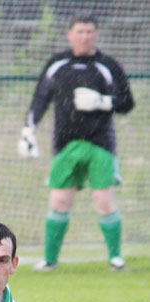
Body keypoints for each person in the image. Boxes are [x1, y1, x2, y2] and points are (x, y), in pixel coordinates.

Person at [17, 14, 134, 271]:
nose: (85, 36)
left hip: (100, 143)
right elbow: (40, 98)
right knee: (59, 201)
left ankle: (115, 258)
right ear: (69, 34)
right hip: (65, 144)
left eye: (90, 31)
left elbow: (127, 103)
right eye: (80, 31)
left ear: (96, 34)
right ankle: (50, 260)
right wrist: (29, 130)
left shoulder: (107, 65)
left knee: (103, 200)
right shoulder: (57, 64)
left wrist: (103, 101)